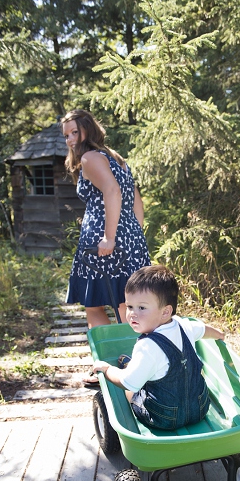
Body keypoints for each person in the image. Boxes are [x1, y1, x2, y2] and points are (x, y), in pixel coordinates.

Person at [91, 265, 225, 430]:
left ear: (165, 312)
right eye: (129, 306)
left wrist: (107, 369)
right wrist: (219, 334)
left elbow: (128, 382)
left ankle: (129, 366)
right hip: (200, 408)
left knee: (132, 391)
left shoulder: (147, 347)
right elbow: (204, 330)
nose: (132, 313)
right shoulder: (184, 325)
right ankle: (134, 365)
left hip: (163, 417)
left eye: (142, 308)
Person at [61, 109, 151, 328]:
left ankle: (109, 357)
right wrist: (133, 234)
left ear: (88, 129)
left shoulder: (90, 157)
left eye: (74, 132)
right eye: (66, 135)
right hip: (129, 236)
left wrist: (109, 237)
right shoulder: (115, 158)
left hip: (104, 239)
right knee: (129, 300)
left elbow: (112, 191)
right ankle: (133, 356)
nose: (70, 139)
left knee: (99, 304)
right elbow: (135, 198)